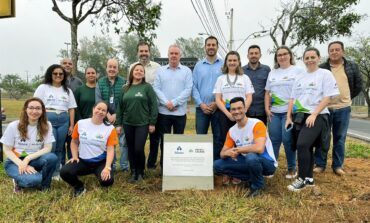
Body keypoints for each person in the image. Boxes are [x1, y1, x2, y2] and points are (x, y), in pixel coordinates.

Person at [286, 47, 339, 192]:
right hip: (300, 116)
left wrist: (315, 114)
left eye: (312, 57)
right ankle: (309, 178)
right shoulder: (299, 76)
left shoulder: (325, 74)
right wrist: (288, 117)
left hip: (319, 115)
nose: (309, 60)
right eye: (307, 58)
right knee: (305, 147)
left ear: (318, 58)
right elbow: (292, 98)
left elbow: (328, 97)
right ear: (303, 60)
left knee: (302, 145)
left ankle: (301, 179)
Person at [314, 41, 363, 176]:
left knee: (340, 138)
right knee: (322, 137)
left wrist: (346, 97)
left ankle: (337, 165)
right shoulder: (322, 68)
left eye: (337, 49)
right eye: (331, 50)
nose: (334, 52)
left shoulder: (351, 66)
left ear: (343, 51)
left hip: (343, 108)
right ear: (328, 52)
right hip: (325, 109)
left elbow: (358, 85)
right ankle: (320, 164)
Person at [214, 97, 277, 198]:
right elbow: (222, 153)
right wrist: (228, 152)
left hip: (267, 163)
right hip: (248, 161)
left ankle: (257, 187)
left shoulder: (257, 124)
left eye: (240, 108)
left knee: (251, 156)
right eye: (233, 109)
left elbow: (259, 148)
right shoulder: (232, 131)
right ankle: (252, 178)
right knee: (217, 165)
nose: (237, 111)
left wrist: (237, 150)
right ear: (230, 111)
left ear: (245, 109)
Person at [60, 101, 118, 197]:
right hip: (83, 160)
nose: (100, 112)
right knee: (65, 172)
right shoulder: (81, 123)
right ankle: (79, 186)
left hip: (100, 162)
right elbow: (74, 142)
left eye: (104, 110)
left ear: (106, 113)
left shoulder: (110, 128)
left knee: (107, 181)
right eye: (98, 109)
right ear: (93, 109)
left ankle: (99, 173)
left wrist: (107, 167)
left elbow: (111, 149)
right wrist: (74, 156)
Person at [1, 97, 57, 193]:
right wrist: (22, 164)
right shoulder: (14, 125)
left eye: (38, 108)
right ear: (25, 109)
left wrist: (28, 159)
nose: (34, 111)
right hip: (15, 161)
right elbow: (7, 149)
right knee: (33, 180)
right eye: (31, 108)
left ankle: (45, 187)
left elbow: (48, 148)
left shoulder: (47, 125)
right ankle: (18, 182)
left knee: (52, 157)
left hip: (34, 159)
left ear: (42, 111)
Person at [265, 46, 304, 179]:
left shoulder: (298, 71)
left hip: (290, 113)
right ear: (276, 57)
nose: (282, 57)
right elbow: (267, 92)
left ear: (290, 55)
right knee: (274, 140)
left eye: (284, 54)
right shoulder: (273, 72)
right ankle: (271, 167)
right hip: (274, 113)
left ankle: (292, 168)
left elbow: (302, 90)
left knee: (288, 140)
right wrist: (266, 109)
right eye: (279, 55)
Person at [116, 63, 158, 182]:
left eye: (141, 70)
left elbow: (153, 105)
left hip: (142, 124)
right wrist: (118, 124)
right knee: (130, 148)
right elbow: (120, 107)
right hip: (128, 123)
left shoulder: (147, 87)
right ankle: (133, 171)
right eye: (136, 70)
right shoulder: (125, 88)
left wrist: (152, 123)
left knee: (139, 148)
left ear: (144, 74)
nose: (139, 72)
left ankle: (141, 172)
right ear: (132, 72)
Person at [34, 64, 77, 179]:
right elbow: (35, 105)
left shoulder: (67, 91)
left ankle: (56, 173)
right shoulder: (43, 88)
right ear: (50, 74)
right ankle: (46, 171)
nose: (58, 75)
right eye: (55, 73)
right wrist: (39, 121)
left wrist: (71, 125)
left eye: (61, 74)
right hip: (48, 119)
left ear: (64, 76)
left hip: (64, 119)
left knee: (59, 147)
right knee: (50, 146)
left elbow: (71, 108)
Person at [153, 44, 193, 167]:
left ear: (180, 55)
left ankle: (176, 165)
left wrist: (174, 102)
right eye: (171, 53)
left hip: (180, 113)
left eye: (176, 53)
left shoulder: (186, 71)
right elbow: (156, 88)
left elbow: (188, 89)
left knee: (178, 140)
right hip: (164, 112)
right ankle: (164, 166)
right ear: (168, 55)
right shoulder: (160, 71)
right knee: (164, 140)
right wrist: (167, 103)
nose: (174, 56)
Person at [129, 42, 161, 170]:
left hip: (153, 108)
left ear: (149, 52)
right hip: (137, 110)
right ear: (137, 53)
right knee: (137, 142)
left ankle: (151, 164)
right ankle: (135, 166)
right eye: (141, 51)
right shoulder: (132, 67)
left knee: (154, 139)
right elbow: (129, 86)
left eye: (146, 51)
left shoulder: (157, 67)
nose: (143, 53)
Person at [192, 36, 224, 160]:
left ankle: (216, 165)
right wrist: (201, 104)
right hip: (202, 109)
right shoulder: (198, 66)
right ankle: (202, 163)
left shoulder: (223, 64)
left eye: (213, 45)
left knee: (218, 138)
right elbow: (193, 86)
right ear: (205, 47)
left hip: (219, 108)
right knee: (201, 137)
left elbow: (226, 85)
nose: (211, 47)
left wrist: (217, 103)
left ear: (217, 47)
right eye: (208, 45)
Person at [95, 58, 128, 172]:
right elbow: (98, 101)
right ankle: (111, 166)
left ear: (118, 69)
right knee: (110, 144)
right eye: (110, 67)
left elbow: (124, 101)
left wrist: (116, 115)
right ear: (106, 68)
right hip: (105, 118)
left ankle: (124, 167)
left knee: (124, 143)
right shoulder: (100, 82)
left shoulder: (124, 82)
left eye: (115, 67)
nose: (112, 69)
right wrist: (107, 114)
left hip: (121, 118)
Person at [61, 58, 83, 166]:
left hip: (74, 118)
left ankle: (71, 166)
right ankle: (59, 167)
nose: (67, 65)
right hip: (59, 118)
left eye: (70, 64)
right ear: (60, 65)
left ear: (73, 66)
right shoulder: (55, 80)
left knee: (72, 143)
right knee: (60, 145)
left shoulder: (78, 82)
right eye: (64, 63)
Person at [243, 45, 271, 125]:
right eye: (251, 53)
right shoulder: (242, 70)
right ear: (248, 56)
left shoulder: (266, 69)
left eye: (256, 53)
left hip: (262, 110)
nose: (254, 55)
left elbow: (269, 90)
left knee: (260, 135)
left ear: (260, 55)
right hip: (246, 110)